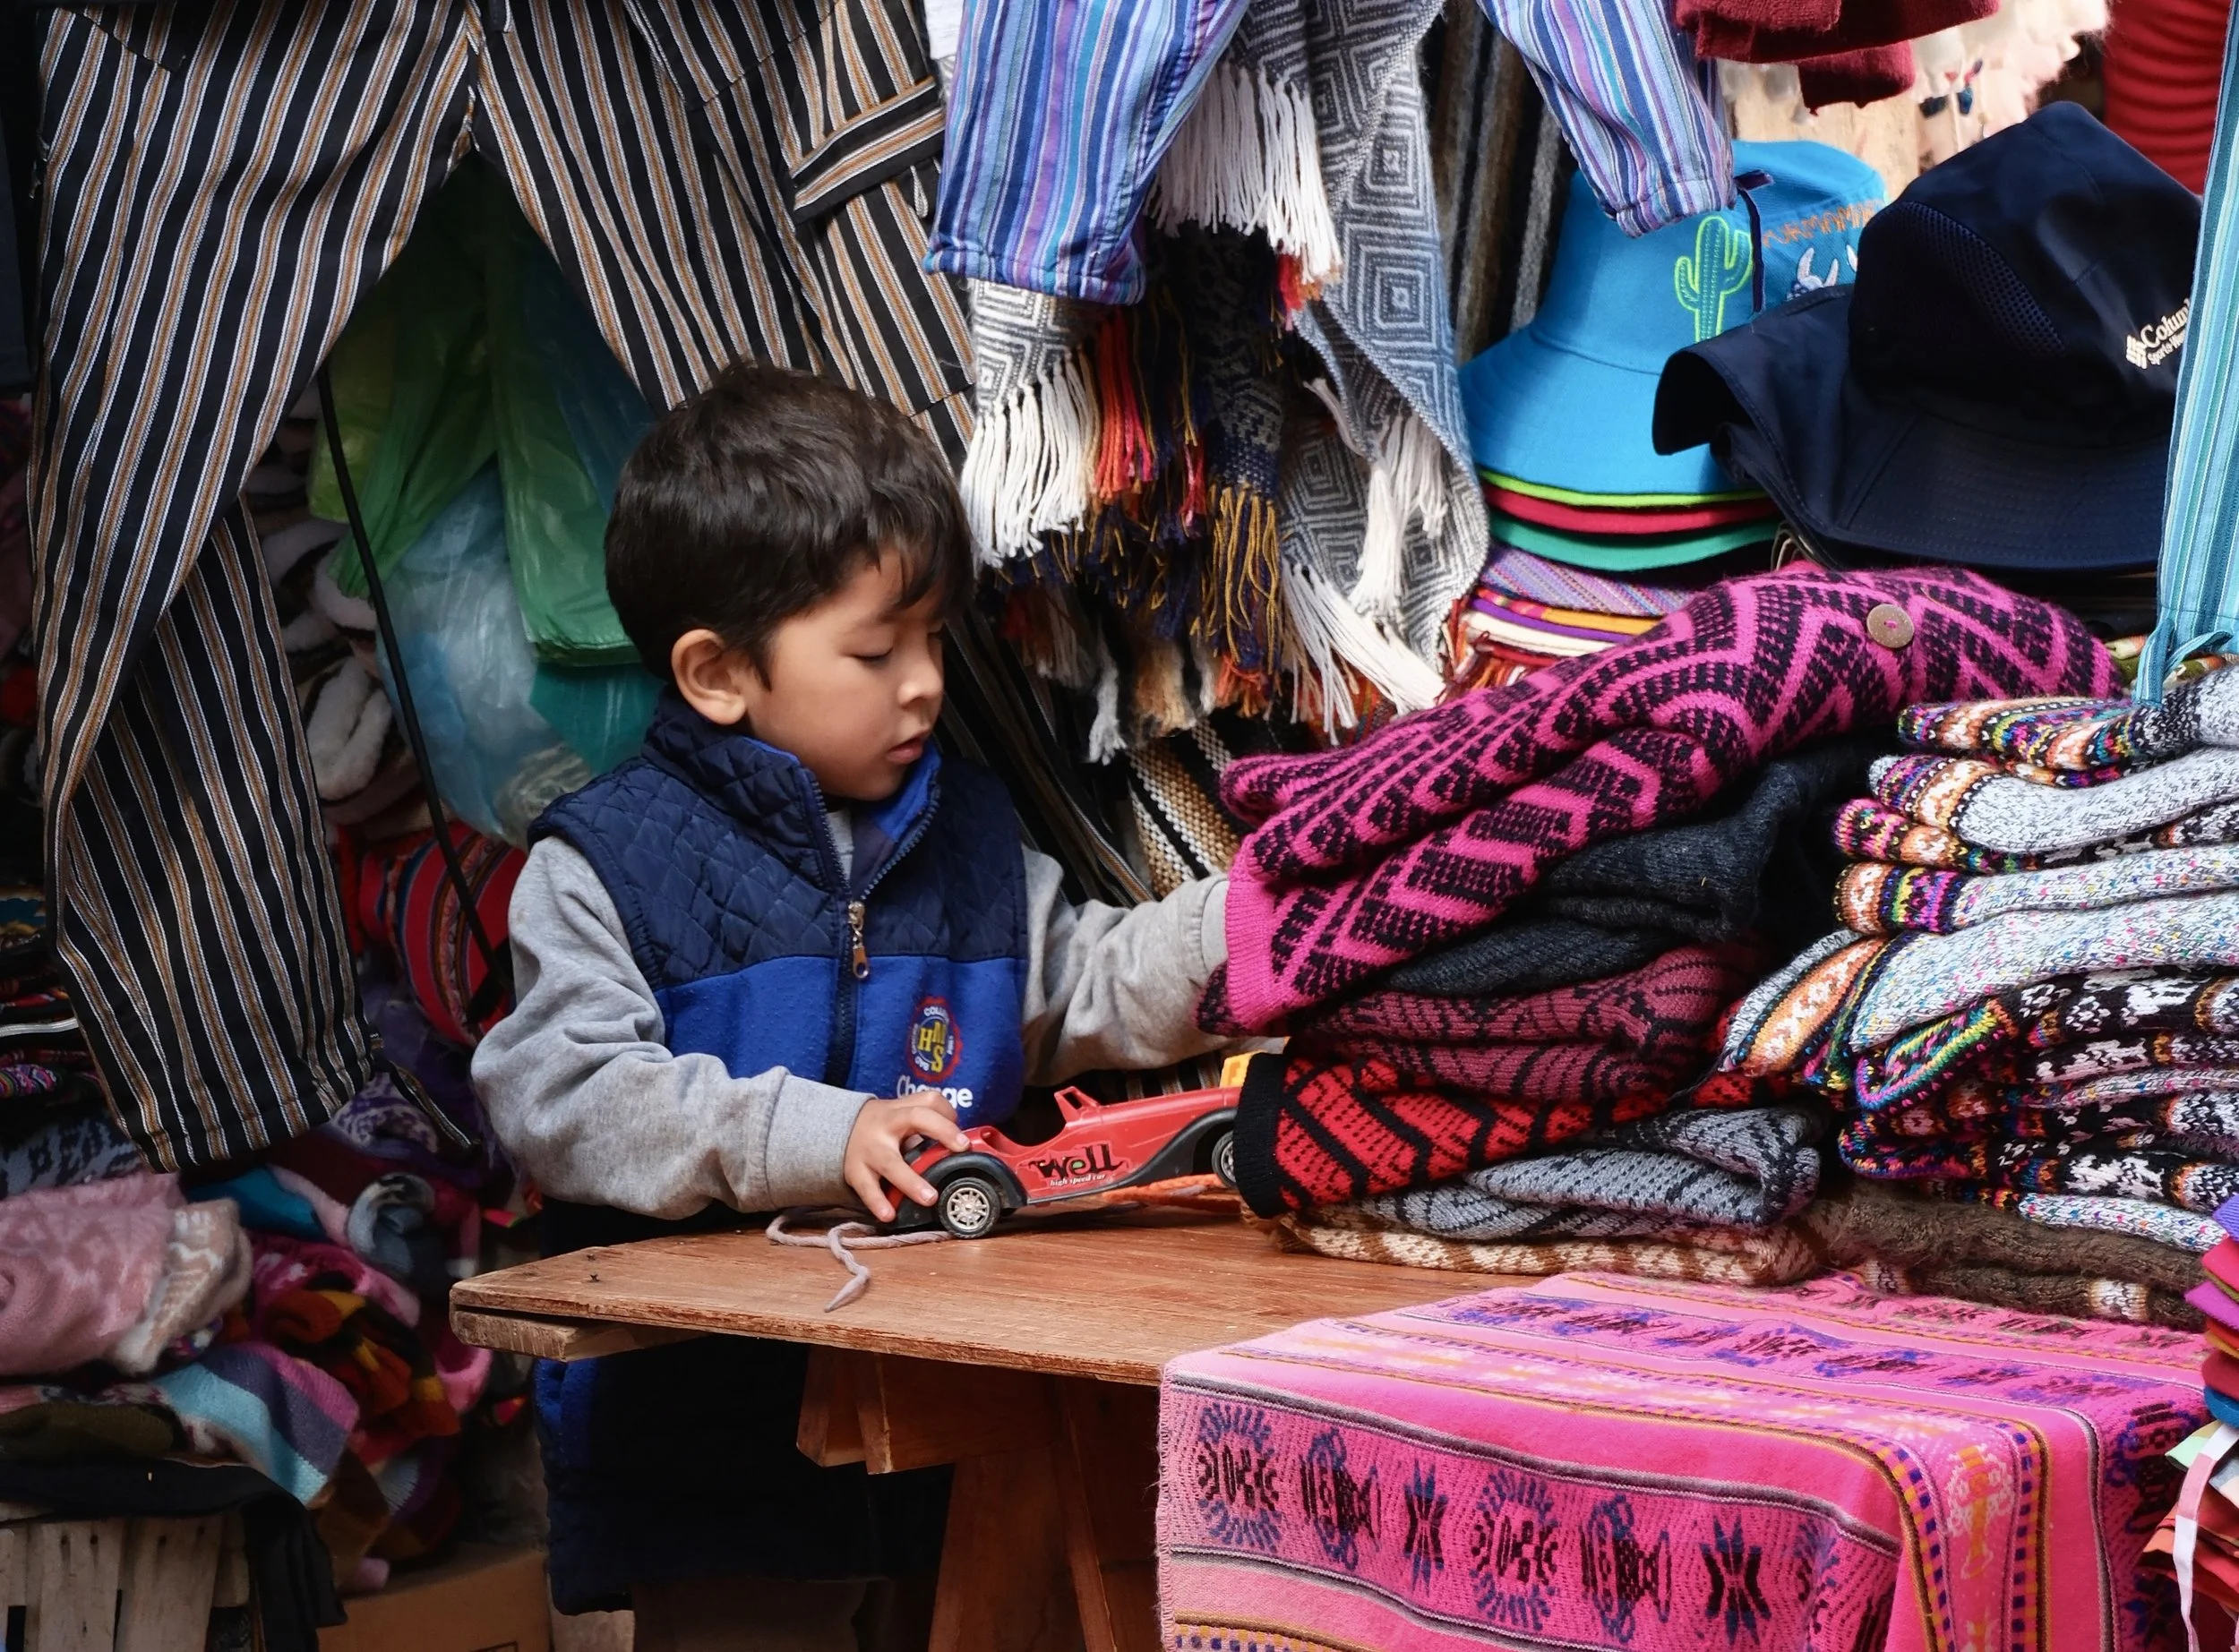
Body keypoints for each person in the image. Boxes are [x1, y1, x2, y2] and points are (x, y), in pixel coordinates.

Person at [472, 362, 1233, 1650]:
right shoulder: (603, 866)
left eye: (936, 637)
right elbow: (563, 1096)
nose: (928, 683)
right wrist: (826, 1136)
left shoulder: (974, 846)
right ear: (717, 673)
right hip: (711, 1454)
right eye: (877, 650)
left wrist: (1259, 928)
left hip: (955, 1435)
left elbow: (1094, 981)